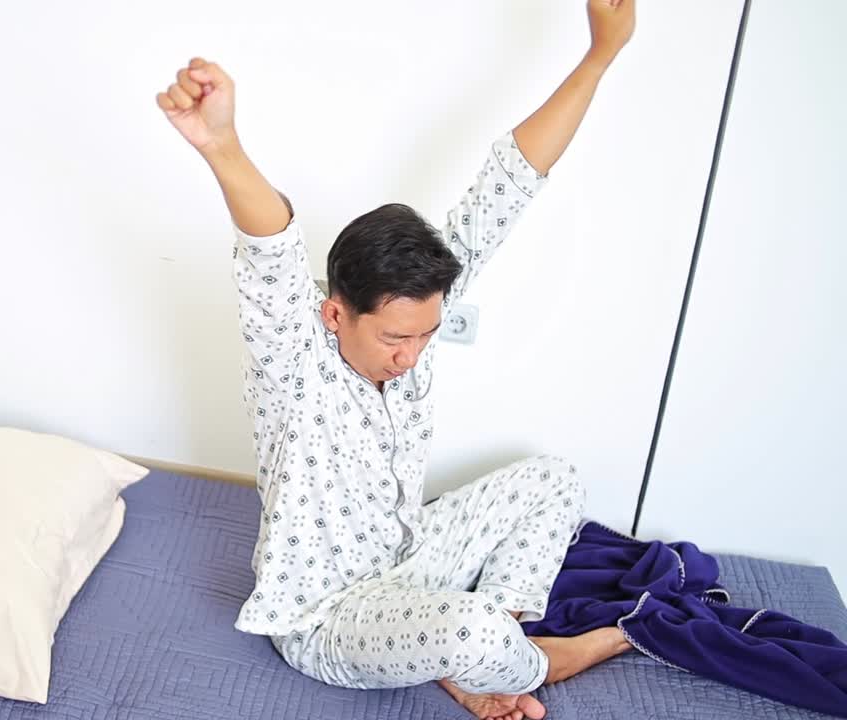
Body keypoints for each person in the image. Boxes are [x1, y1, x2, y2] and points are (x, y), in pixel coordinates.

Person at [156, 2, 635, 719]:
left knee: (553, 480)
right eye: (393, 341)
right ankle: (529, 661)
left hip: (408, 566)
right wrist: (222, 146)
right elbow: (271, 252)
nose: (410, 358)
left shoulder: (416, 308)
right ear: (335, 312)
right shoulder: (294, 359)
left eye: (425, 336)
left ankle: (482, 655)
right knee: (468, 625)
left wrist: (599, 56)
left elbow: (509, 185)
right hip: (327, 617)